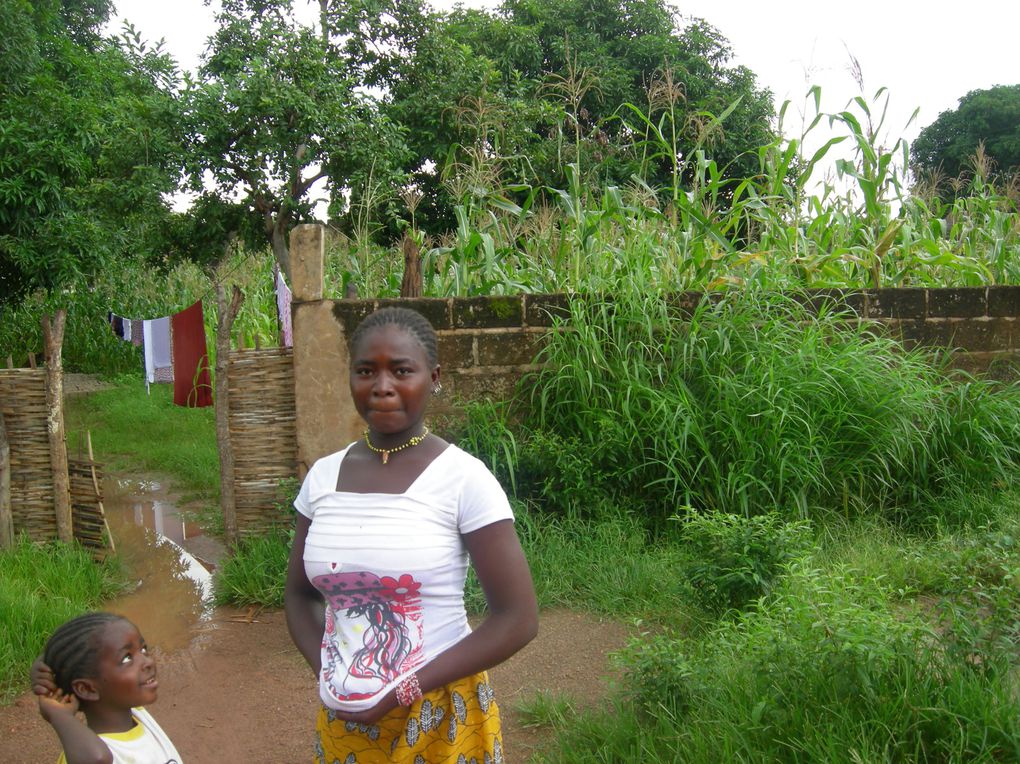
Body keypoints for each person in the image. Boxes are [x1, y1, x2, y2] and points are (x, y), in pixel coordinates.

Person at [285, 306, 538, 763]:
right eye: (366, 371)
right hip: (347, 716)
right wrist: (329, 671)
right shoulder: (322, 479)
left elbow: (517, 618)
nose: (382, 386)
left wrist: (407, 687)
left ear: (433, 377)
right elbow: (300, 596)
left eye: (402, 371)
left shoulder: (464, 479)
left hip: (440, 713)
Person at [31, 611, 182, 764]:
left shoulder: (136, 714)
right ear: (87, 689)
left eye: (143, 649)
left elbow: (69, 655)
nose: (148, 662)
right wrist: (58, 716)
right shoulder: (84, 755)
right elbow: (97, 759)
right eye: (127, 658)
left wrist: (44, 666)